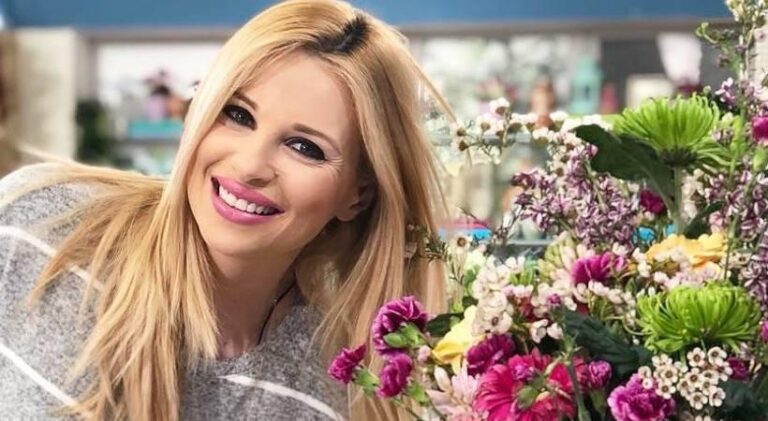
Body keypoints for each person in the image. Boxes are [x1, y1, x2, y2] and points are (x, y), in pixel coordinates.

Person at [0, 0, 453, 419]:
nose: (250, 166)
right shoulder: (39, 224)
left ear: (358, 195)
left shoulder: (332, 395)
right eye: (238, 115)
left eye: (304, 147)